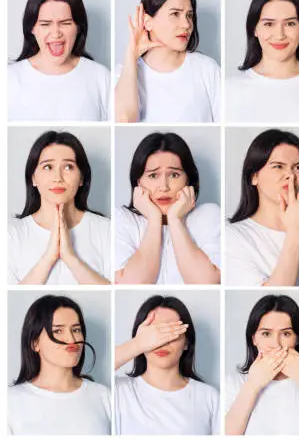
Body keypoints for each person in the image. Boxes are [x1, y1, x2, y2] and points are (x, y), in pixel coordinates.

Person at [115, 132, 221, 285]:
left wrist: (175, 219)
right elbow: (132, 284)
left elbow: (205, 283)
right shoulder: (122, 219)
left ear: (188, 179)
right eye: (153, 176)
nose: (164, 187)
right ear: (138, 181)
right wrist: (153, 219)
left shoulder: (208, 215)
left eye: (174, 175)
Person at [226, 129, 299, 286]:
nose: (291, 175)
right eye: (278, 166)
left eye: (298, 167)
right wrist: (295, 232)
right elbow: (271, 301)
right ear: (254, 176)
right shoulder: (234, 237)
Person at [8, 131, 110, 285]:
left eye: (68, 167)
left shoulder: (106, 229)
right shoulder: (12, 235)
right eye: (48, 167)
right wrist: (49, 257)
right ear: (33, 178)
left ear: (82, 178)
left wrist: (70, 257)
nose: (58, 178)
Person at [115, 0, 221, 123]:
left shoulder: (207, 69)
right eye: (175, 14)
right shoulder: (123, 73)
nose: (186, 25)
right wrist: (131, 54)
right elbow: (124, 120)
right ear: (147, 22)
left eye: (189, 16)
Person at [114, 295, 219, 435]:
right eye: (155, 333)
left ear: (187, 342)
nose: (162, 342)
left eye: (171, 332)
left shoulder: (208, 397)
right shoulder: (119, 392)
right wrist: (137, 344)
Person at [226, 0, 299, 123]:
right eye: (269, 24)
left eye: (290, 23)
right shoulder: (229, 90)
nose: (280, 35)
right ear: (254, 29)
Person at [225, 294, 299, 435]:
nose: (276, 344)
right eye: (266, 334)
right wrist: (253, 385)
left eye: (286, 334)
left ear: (297, 339)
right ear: (254, 338)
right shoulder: (233, 383)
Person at [8, 0, 110, 121]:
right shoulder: (9, 79)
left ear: (78, 27)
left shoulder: (100, 77)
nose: (56, 33)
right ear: (32, 28)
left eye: (65, 23)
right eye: (45, 24)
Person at [8, 294, 111, 435]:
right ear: (35, 343)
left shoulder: (104, 396)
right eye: (57, 331)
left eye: (76, 330)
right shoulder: (9, 402)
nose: (71, 339)